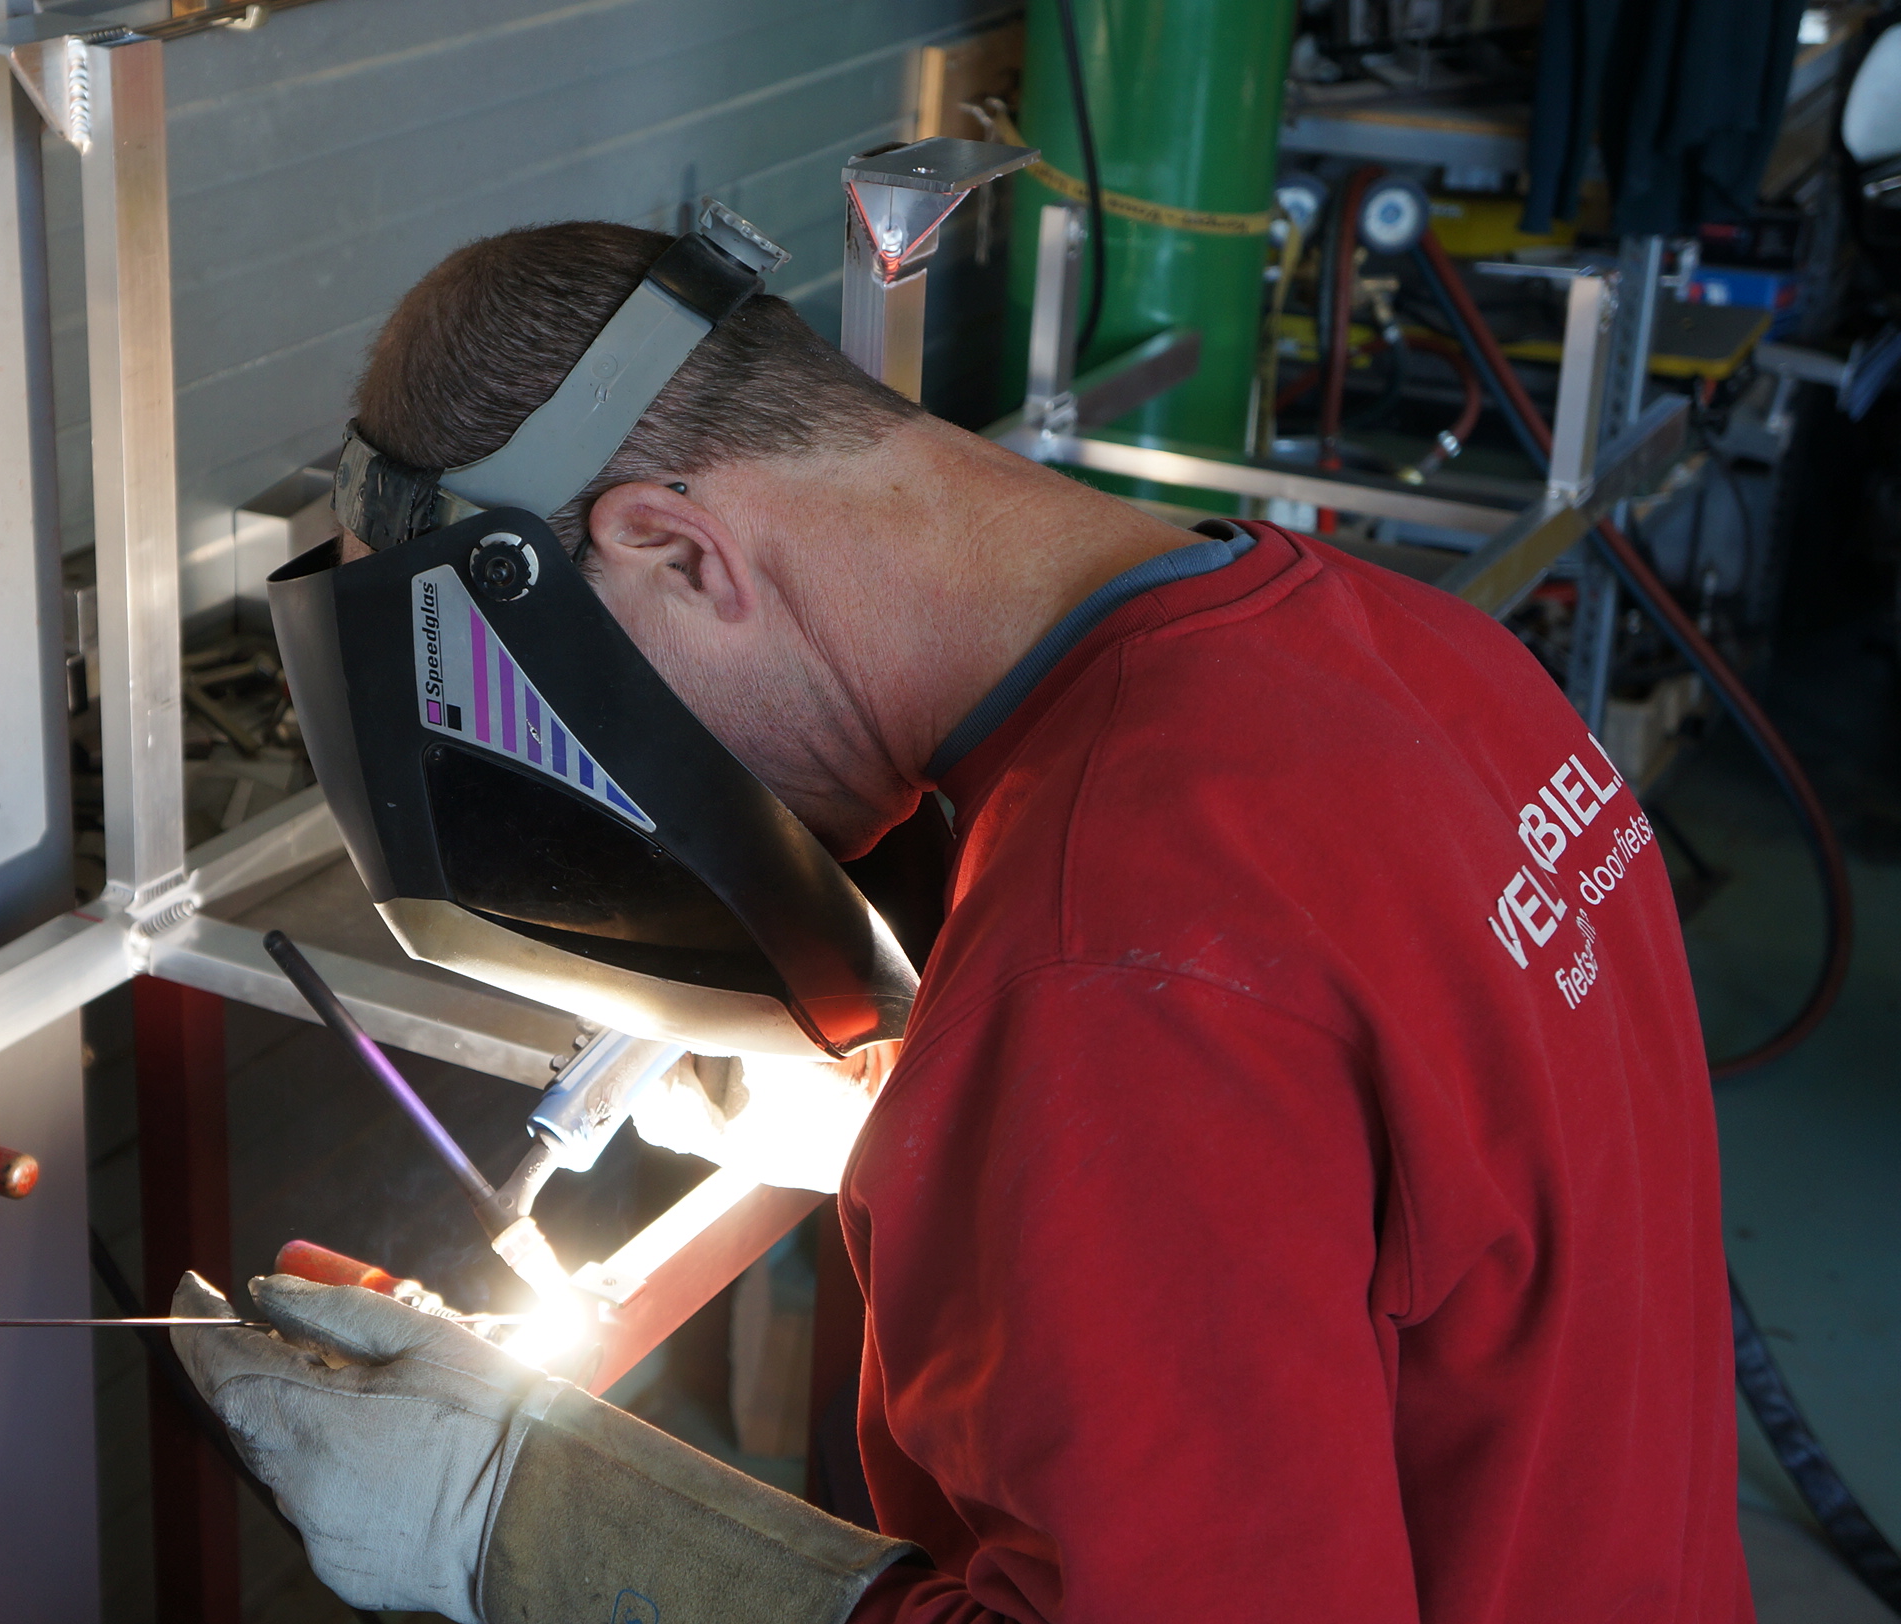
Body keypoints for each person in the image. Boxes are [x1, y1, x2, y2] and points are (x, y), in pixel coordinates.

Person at [172, 220, 1751, 1624]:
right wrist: (976, 1118)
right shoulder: (1411, 644)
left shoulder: (1105, 969)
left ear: (673, 548)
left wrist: (517, 1515)